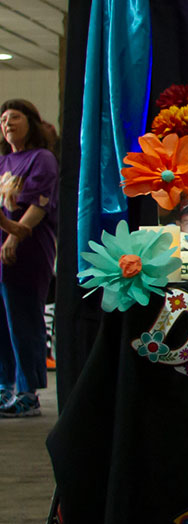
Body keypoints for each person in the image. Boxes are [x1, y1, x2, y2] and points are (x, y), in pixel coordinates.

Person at [0, 99, 57, 417]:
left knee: (23, 318)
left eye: (15, 117)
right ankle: (5, 386)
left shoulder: (41, 158)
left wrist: (13, 236)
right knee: (2, 321)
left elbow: (40, 204)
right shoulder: (3, 162)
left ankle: (28, 393)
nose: (7, 123)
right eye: (3, 119)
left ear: (31, 122)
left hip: (27, 248)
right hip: (3, 249)